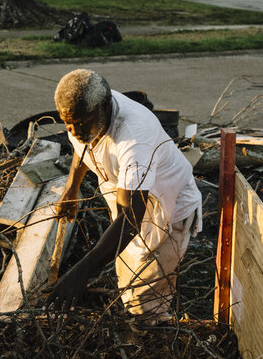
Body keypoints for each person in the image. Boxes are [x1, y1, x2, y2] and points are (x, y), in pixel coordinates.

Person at [47, 69, 201, 314]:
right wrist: (70, 189)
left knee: (148, 301)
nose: (73, 131)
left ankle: (154, 335)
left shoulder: (133, 138)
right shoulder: (85, 114)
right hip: (130, 202)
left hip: (165, 210)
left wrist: (79, 274)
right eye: (68, 123)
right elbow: (81, 144)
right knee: (129, 282)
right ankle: (136, 315)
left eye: (80, 123)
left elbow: (130, 220)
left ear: (105, 106)